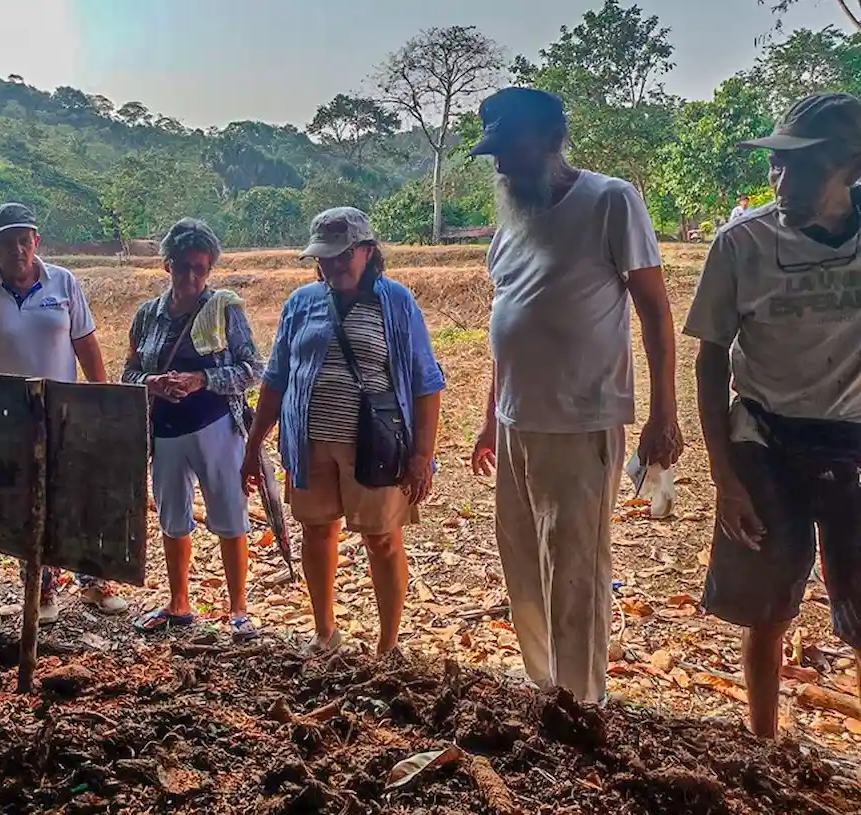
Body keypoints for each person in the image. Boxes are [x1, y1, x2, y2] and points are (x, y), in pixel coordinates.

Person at [468, 87, 683, 704]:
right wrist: (489, 418)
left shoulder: (610, 200)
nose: (502, 165)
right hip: (515, 424)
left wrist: (662, 414)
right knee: (524, 568)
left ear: (553, 137)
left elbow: (655, 315)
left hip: (580, 420)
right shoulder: (511, 226)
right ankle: (544, 689)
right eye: (495, 153)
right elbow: (505, 324)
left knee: (577, 574)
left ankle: (583, 703)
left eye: (511, 148)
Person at [685, 92, 861, 739]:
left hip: (848, 442)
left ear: (851, 166)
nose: (782, 181)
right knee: (768, 606)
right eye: (776, 166)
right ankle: (764, 746)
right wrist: (726, 478)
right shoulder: (742, 244)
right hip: (763, 436)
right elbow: (710, 360)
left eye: (804, 167)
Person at [243, 207, 444, 656]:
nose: (331, 267)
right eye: (324, 258)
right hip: (309, 440)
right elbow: (276, 379)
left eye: (341, 257)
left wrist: (422, 457)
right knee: (316, 531)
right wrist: (253, 445)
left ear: (367, 252)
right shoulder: (301, 303)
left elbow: (426, 382)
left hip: (374, 443)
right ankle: (324, 633)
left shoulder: (395, 302)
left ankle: (387, 647)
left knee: (382, 539)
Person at [0, 202, 128, 622]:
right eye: (8, 242)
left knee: (75, 496)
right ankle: (41, 592)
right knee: (25, 500)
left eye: (25, 240)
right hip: (8, 415)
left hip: (65, 410)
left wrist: (102, 404)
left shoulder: (63, 281)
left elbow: (87, 345)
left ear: (36, 241)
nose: (18, 250)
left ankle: (92, 581)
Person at [123, 218, 264, 643]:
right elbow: (128, 372)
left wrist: (202, 380)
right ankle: (178, 602)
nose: (190, 277)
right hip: (164, 431)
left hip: (217, 427)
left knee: (229, 515)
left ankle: (238, 609)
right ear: (167, 265)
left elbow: (253, 369)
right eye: (182, 266)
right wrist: (151, 383)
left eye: (199, 269)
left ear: (209, 271)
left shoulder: (224, 309)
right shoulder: (148, 315)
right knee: (172, 518)